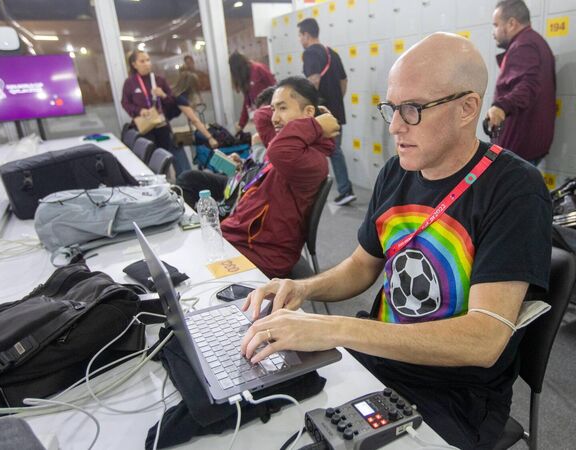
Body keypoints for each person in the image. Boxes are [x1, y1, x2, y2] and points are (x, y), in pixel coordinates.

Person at [239, 33, 552, 449]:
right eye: (391, 107)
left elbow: (484, 338)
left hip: (451, 393)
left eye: (412, 109)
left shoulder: (514, 189)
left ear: (467, 108)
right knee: (262, 416)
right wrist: (302, 288)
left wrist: (334, 327)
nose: (395, 126)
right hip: (378, 358)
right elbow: (361, 265)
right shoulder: (396, 171)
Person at [220, 76, 339, 278]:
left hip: (259, 253)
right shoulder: (292, 144)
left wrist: (314, 125)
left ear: (309, 113)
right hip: (241, 238)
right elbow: (261, 117)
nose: (274, 117)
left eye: (282, 108)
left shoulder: (311, 158)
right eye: (273, 109)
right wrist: (313, 120)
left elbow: (277, 149)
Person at [175, 86, 277, 208]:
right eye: (259, 118)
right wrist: (242, 164)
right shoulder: (262, 137)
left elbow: (268, 172)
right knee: (187, 179)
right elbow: (255, 166)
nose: (261, 124)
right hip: (238, 181)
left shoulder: (282, 143)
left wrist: (257, 147)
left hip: (247, 190)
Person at [487, 0, 556, 166]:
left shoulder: (523, 45)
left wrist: (501, 106)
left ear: (511, 23)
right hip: (529, 144)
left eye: (496, 25)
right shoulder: (535, 41)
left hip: (519, 147)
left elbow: (529, 85)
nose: (493, 32)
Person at [298, 18, 356, 206]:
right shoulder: (332, 53)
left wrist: (310, 109)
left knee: (318, 151)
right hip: (335, 111)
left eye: (300, 35)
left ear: (306, 34)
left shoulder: (309, 53)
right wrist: (335, 102)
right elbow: (343, 82)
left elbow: (314, 81)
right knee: (334, 149)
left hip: (320, 113)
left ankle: (317, 193)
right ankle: (344, 190)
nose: (299, 39)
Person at [121, 50, 192, 174]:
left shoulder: (159, 80)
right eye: (142, 61)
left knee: (167, 157)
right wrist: (139, 110)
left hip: (162, 126)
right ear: (134, 64)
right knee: (151, 160)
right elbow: (125, 103)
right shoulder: (130, 83)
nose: (146, 64)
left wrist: (163, 95)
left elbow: (172, 102)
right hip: (145, 128)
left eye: (148, 60)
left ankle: (176, 179)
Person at [167, 70, 219, 149]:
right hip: (161, 128)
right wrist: (210, 138)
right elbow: (194, 120)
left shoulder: (174, 94)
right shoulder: (180, 98)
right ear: (192, 86)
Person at [229, 52, 276, 135]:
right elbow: (247, 102)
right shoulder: (245, 78)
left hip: (272, 112)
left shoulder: (258, 69)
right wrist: (241, 124)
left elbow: (275, 86)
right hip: (261, 116)